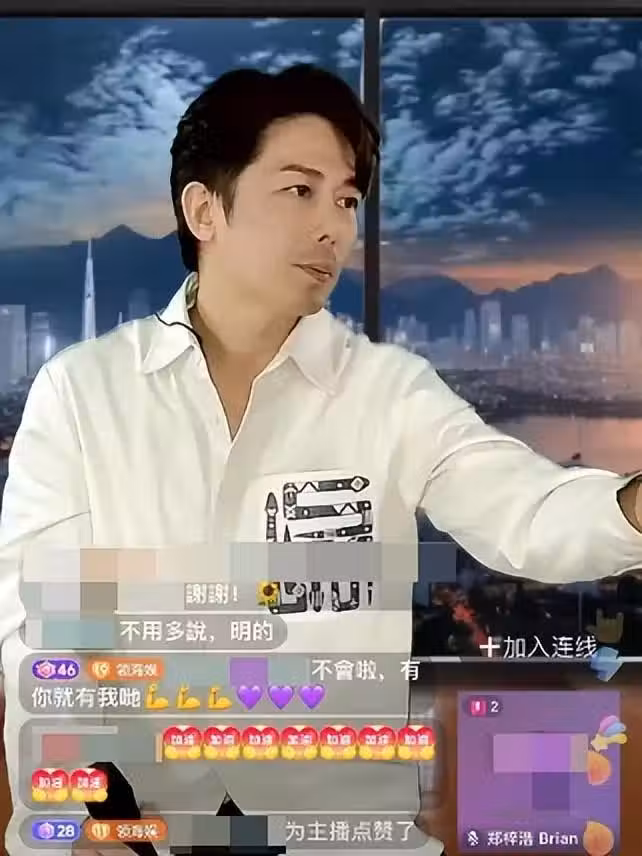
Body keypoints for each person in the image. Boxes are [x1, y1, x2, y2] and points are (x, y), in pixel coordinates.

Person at [1, 63, 642, 856]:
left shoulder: (389, 390)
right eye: (299, 191)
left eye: (345, 200)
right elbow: (37, 631)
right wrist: (79, 812)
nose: (333, 227)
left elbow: (529, 514)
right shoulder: (83, 391)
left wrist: (633, 506)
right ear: (204, 209)